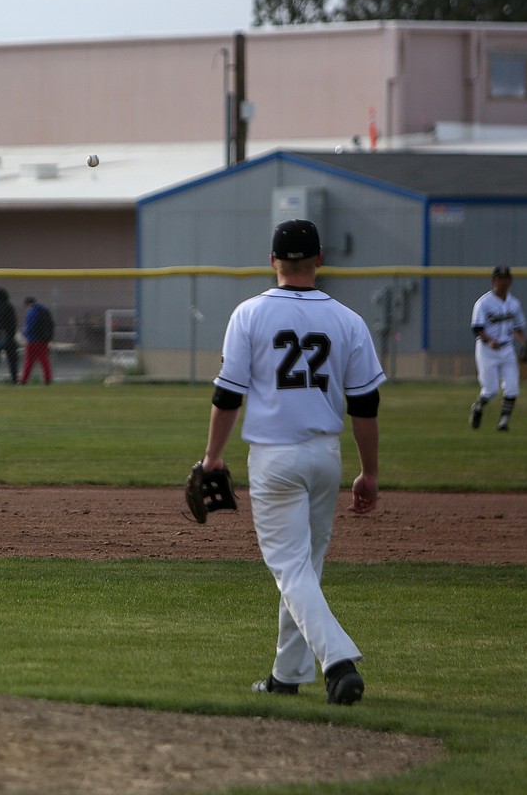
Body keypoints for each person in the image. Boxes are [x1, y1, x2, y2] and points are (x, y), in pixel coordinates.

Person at [195, 219, 385, 705]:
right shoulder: (347, 319)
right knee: (305, 569)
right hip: (326, 456)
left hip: (275, 459)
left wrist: (213, 457)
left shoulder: (249, 314)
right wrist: (370, 472)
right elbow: (365, 406)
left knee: (292, 570)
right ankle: (287, 675)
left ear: (272, 262)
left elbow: (227, 394)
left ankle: (339, 664)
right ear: (320, 260)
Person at [470, 266, 527, 431]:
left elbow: (517, 328)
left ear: (510, 281)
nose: (503, 282)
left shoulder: (514, 303)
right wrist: (490, 341)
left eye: (506, 279)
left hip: (507, 348)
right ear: (494, 281)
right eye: (499, 279)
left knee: (512, 388)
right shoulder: (483, 303)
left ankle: (503, 422)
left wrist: (525, 342)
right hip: (487, 350)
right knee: (491, 390)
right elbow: (477, 328)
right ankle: (478, 406)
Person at [19, 296, 55, 385]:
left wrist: (24, 332)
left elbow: (30, 326)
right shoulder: (44, 310)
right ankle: (47, 379)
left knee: (29, 361)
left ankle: (23, 380)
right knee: (44, 360)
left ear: (28, 304)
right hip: (43, 339)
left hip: (32, 340)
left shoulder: (31, 311)